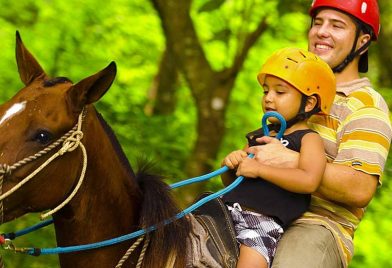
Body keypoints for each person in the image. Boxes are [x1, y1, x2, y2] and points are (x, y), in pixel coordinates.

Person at [246, 1, 392, 267]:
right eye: (318, 22)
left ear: (363, 41)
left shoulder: (366, 105)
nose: (322, 32)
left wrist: (289, 160)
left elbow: (360, 188)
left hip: (316, 227)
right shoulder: (288, 90)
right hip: (258, 210)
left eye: (337, 25)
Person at [221, 47, 336, 268]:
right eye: (266, 91)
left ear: (309, 103)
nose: (269, 98)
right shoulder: (260, 135)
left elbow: (309, 180)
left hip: (260, 223)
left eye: (280, 92)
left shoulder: (309, 140)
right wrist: (232, 163)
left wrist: (260, 169)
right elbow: (230, 181)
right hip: (226, 211)